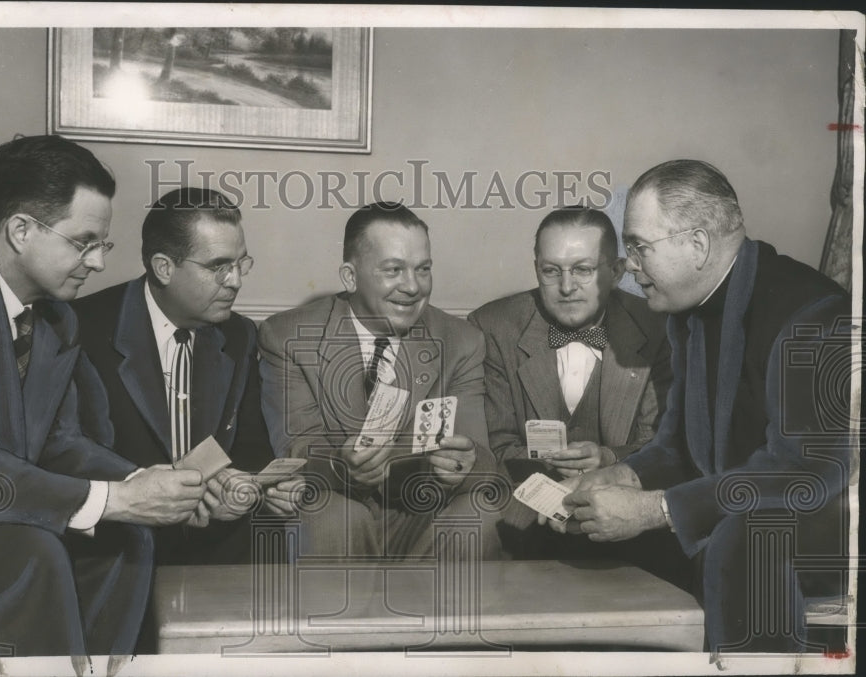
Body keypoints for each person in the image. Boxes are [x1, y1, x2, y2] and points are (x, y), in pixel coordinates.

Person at [0, 135, 207, 665]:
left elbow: (61, 443)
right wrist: (114, 500)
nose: (98, 263)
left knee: (126, 540)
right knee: (32, 552)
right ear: (20, 230)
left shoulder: (56, 315)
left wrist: (141, 483)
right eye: (84, 241)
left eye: (101, 245)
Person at [550, 160, 852, 652]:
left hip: (825, 523)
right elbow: (679, 449)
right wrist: (617, 477)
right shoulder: (690, 309)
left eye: (640, 247)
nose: (629, 265)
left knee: (747, 540)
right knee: (581, 530)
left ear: (698, 245)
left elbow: (807, 472)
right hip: (737, 507)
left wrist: (653, 509)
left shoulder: (813, 314)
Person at [74, 187, 301, 570]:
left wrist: (251, 485)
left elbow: (249, 444)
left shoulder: (238, 335)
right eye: (219, 267)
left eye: (240, 264)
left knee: (266, 534)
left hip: (212, 532)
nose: (235, 282)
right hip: (123, 531)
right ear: (164, 267)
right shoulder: (84, 329)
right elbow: (74, 454)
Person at [259, 202, 501, 559]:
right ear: (350, 277)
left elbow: (480, 457)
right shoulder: (287, 336)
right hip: (336, 505)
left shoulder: (461, 340)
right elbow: (297, 447)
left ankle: (440, 615)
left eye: (423, 269)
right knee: (332, 519)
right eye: (393, 270)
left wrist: (464, 464)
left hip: (421, 511)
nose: (412, 286)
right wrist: (343, 464)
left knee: (482, 515)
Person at [469, 207, 683, 582]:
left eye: (583, 270)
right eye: (551, 271)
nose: (567, 287)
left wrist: (607, 457)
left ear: (616, 272)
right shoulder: (492, 326)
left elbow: (663, 444)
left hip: (626, 518)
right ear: (537, 268)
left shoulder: (660, 327)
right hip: (525, 514)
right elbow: (494, 446)